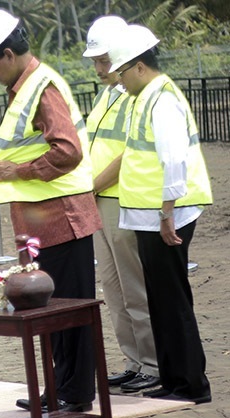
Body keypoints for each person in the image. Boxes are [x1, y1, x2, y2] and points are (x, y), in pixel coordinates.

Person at [0, 9, 102, 412]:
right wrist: (3, 178)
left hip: (63, 217)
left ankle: (75, 394)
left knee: (68, 311)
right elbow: (27, 148)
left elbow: (69, 150)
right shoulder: (25, 88)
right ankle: (62, 389)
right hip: (43, 219)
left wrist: (17, 170)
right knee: (52, 313)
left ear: (8, 54)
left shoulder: (42, 88)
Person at [107, 25, 212, 403]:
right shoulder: (145, 96)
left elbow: (172, 159)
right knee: (161, 300)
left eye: (121, 72)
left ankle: (190, 386)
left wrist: (166, 214)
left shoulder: (161, 98)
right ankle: (173, 380)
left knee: (172, 301)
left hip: (166, 216)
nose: (119, 80)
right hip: (150, 216)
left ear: (138, 67)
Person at [83, 16, 160, 393]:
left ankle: (152, 363)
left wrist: (91, 186)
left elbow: (128, 153)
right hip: (99, 202)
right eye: (95, 61)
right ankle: (133, 361)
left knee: (134, 286)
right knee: (113, 288)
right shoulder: (106, 94)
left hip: (119, 201)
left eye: (102, 60)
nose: (98, 68)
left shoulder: (134, 95)